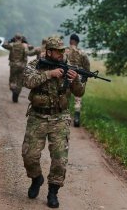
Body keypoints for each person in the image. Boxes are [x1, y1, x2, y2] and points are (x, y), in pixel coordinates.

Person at [22, 36, 86, 208]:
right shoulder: (35, 65)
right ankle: (36, 179)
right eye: (57, 51)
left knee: (59, 159)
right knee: (29, 156)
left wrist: (76, 80)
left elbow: (79, 93)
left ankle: (53, 192)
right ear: (49, 51)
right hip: (38, 116)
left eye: (62, 50)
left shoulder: (70, 66)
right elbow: (27, 81)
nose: (61, 53)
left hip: (60, 117)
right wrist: (49, 74)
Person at [66, 34, 90, 127]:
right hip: (77, 78)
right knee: (78, 99)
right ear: (77, 42)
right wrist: (84, 80)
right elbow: (87, 69)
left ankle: (65, 116)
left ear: (70, 41)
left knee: (65, 97)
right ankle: (76, 117)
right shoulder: (82, 53)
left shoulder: (64, 51)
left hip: (66, 76)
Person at [2, 33, 30, 103]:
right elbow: (31, 49)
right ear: (21, 38)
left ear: (15, 38)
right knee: (20, 81)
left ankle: (13, 89)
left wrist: (10, 40)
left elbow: (4, 45)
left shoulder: (12, 45)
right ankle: (16, 93)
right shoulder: (25, 46)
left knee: (12, 79)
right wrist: (26, 42)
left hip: (13, 65)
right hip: (22, 66)